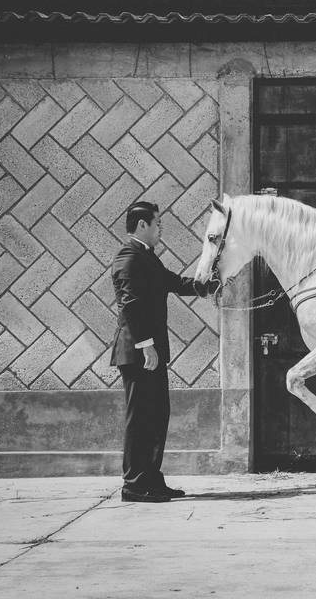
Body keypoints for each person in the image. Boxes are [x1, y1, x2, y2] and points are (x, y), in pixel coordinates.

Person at [110, 201, 218, 503]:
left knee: (157, 416)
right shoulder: (128, 258)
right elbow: (129, 305)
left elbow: (172, 282)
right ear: (141, 225)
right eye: (157, 223)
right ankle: (133, 484)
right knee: (140, 419)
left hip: (150, 352)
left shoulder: (146, 257)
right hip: (137, 353)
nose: (161, 228)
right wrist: (146, 346)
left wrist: (207, 286)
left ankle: (152, 481)